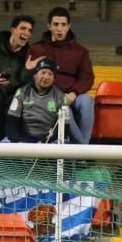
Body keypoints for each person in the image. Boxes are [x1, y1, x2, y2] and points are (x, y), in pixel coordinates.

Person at [26, 7, 95, 144]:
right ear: (49, 26)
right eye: (56, 24)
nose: (59, 28)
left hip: (72, 94)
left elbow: (87, 78)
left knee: (87, 100)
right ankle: (84, 149)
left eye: (63, 25)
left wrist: (74, 93)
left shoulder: (81, 51)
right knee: (64, 109)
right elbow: (32, 76)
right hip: (49, 95)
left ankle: (83, 145)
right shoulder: (36, 48)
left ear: (69, 26)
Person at [5, 58, 68, 143]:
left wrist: (43, 142)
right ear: (35, 75)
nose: (46, 77)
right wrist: (18, 142)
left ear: (54, 79)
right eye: (43, 72)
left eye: (50, 74)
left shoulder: (60, 97)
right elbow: (11, 122)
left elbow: (64, 127)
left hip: (48, 141)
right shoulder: (22, 92)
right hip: (23, 139)